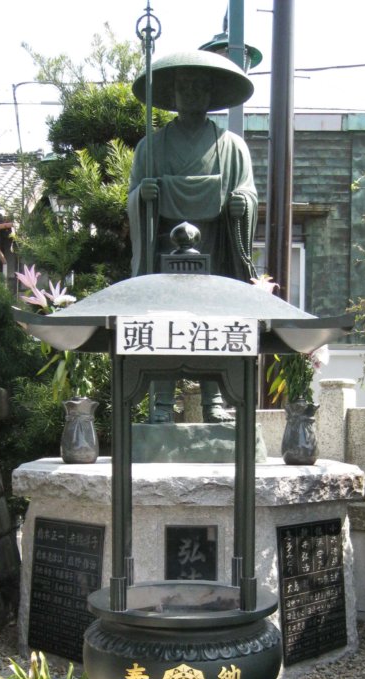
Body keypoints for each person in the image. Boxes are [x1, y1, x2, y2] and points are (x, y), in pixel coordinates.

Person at [128, 50, 258, 422]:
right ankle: (162, 406)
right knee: (164, 324)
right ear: (171, 93)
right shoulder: (150, 147)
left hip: (215, 251)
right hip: (164, 252)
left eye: (201, 86)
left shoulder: (232, 147)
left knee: (211, 322)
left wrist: (240, 205)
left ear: (212, 93)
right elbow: (135, 194)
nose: (192, 93)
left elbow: (248, 193)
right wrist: (144, 197)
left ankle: (214, 404)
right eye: (185, 86)